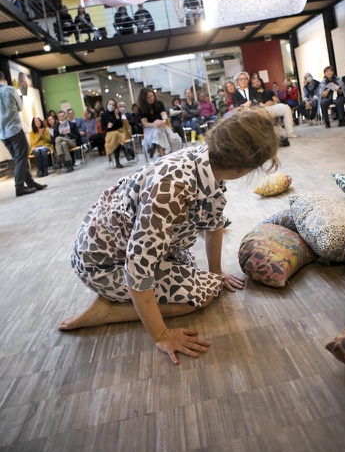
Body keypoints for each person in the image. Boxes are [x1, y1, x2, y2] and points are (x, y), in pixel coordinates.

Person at [58, 109, 279, 366]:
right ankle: (107, 312)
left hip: (121, 247)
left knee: (200, 274)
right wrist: (161, 335)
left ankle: (121, 298)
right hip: (103, 264)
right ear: (241, 169)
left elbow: (213, 220)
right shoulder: (170, 189)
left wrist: (217, 271)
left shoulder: (205, 160)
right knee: (202, 294)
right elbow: (138, 268)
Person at [0, 70, 47, 196]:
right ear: (3, 78)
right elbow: (20, 107)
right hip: (14, 129)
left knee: (17, 159)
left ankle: (30, 183)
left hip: (2, 134)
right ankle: (19, 186)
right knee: (21, 157)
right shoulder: (10, 90)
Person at [138, 88, 182, 158]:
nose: (151, 98)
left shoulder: (159, 103)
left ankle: (154, 146)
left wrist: (162, 121)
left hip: (162, 126)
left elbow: (164, 116)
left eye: (152, 96)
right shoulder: (141, 108)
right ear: (144, 99)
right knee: (158, 131)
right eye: (148, 97)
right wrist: (154, 124)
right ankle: (162, 156)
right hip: (150, 129)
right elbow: (145, 123)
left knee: (159, 130)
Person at [101, 98, 125, 168]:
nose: (111, 106)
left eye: (113, 105)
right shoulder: (104, 115)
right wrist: (108, 127)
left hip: (117, 133)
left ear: (115, 106)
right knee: (117, 135)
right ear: (107, 105)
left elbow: (121, 125)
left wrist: (117, 116)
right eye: (110, 104)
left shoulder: (117, 113)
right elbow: (103, 128)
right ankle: (124, 150)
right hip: (108, 134)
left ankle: (117, 161)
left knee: (116, 137)